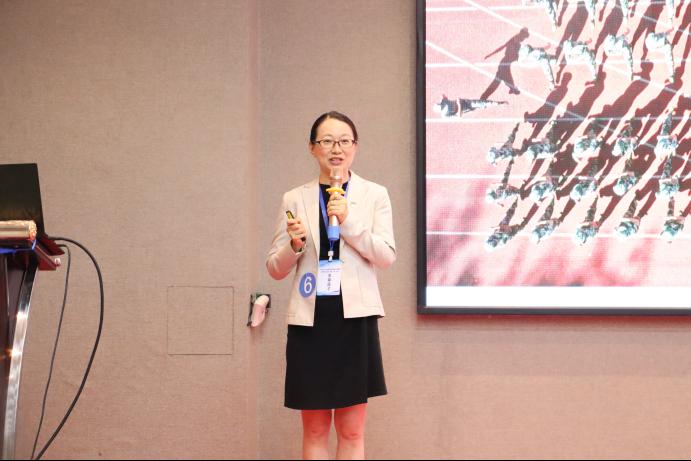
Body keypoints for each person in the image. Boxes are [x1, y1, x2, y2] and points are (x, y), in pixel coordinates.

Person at [266, 111, 396, 460]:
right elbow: (275, 268)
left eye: (344, 141)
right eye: (327, 141)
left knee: (352, 431)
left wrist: (349, 222)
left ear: (355, 147)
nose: (336, 149)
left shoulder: (374, 195)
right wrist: (295, 246)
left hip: (355, 319)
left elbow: (386, 255)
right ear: (312, 148)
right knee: (315, 430)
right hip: (311, 320)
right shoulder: (294, 198)